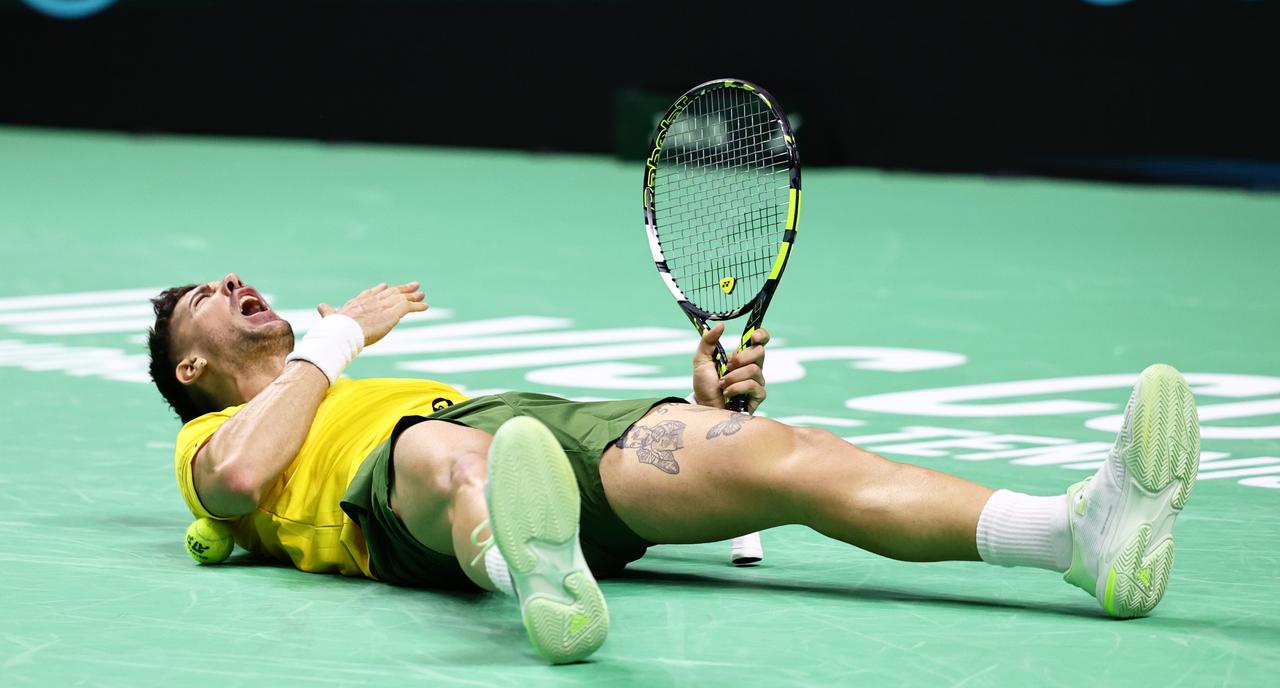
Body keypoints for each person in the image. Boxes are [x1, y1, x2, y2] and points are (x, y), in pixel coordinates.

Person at [149, 274, 1201, 664]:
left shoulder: (359, 376)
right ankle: (538, 585)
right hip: (394, 490)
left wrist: (700, 417)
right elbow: (244, 485)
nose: (236, 279)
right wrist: (334, 341)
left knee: (783, 455)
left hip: (526, 430)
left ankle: (1078, 536)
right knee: (449, 454)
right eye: (206, 291)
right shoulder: (210, 442)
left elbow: (508, 437)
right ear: (190, 366)